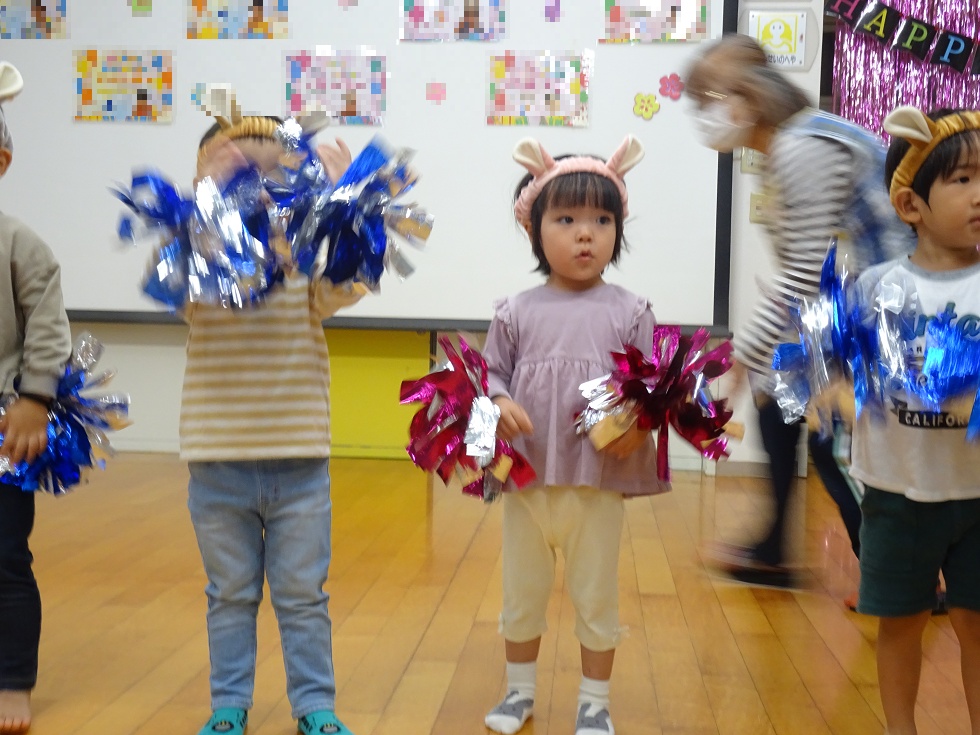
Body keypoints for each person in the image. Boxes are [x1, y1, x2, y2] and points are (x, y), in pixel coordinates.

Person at [684, 33, 908, 589]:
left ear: (745, 98)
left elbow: (806, 271)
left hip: (890, 305)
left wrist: (740, 356)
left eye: (707, 99)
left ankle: (902, 573)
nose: (702, 114)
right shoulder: (786, 147)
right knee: (776, 394)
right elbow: (806, 275)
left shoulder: (800, 148)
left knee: (833, 438)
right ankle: (774, 551)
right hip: (852, 301)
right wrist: (755, 360)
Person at [181, 110, 359, 735]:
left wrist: (344, 205)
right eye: (236, 172)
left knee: (303, 596)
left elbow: (351, 280)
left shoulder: (303, 263)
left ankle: (315, 705)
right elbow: (184, 277)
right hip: (217, 467)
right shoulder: (198, 263)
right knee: (230, 595)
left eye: (272, 174)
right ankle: (229, 705)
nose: (256, 187)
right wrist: (209, 211)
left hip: (300, 467)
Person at [482, 134, 665, 735]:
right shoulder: (514, 311)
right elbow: (489, 375)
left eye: (602, 220)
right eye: (566, 220)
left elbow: (651, 389)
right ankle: (518, 693)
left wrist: (640, 418)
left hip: (596, 485)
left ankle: (594, 702)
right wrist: (499, 401)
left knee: (596, 595)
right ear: (534, 230)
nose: (586, 234)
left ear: (618, 230)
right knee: (521, 594)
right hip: (528, 483)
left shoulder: (631, 310)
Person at [849, 105, 980, 735]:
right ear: (910, 205)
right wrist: (829, 389)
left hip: (977, 492)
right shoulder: (875, 287)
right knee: (900, 622)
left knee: (977, 623)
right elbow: (833, 365)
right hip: (897, 492)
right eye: (963, 179)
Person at [0, 61, 72, 734]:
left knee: (5, 558)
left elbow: (48, 326)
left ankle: (11, 678)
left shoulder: (19, 243)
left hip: (4, 431)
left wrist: (34, 398)